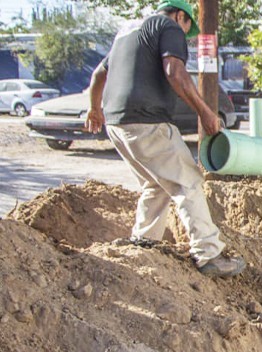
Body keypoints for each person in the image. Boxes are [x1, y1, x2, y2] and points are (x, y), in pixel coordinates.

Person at [84, 0, 245, 277]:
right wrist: (205, 112)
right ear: (180, 15)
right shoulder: (168, 26)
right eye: (186, 27)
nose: (184, 35)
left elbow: (99, 74)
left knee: (155, 183)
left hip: (117, 124)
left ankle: (144, 241)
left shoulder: (128, 31)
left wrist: (94, 109)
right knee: (188, 180)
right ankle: (209, 254)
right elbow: (174, 71)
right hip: (147, 121)